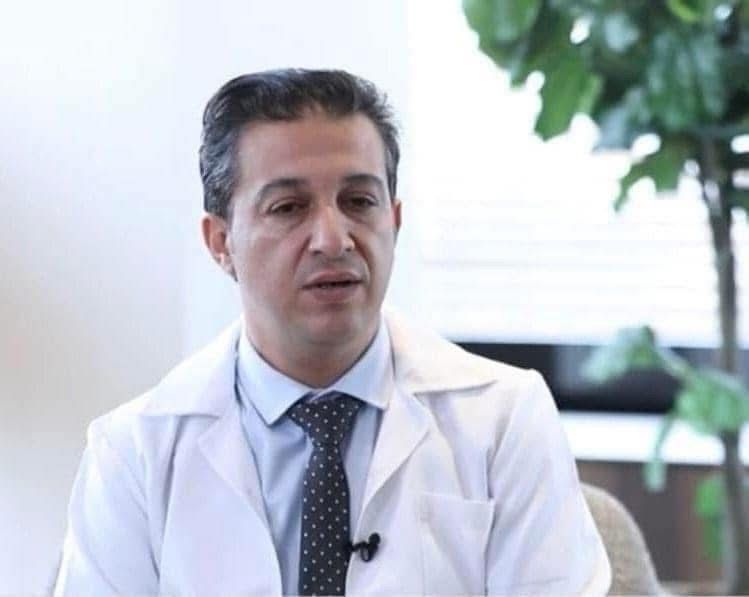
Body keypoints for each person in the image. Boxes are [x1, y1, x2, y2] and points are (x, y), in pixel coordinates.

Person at [54, 69, 611, 596]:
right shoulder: (134, 451)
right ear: (221, 242)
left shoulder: (504, 419)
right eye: (288, 207)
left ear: (394, 221)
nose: (333, 238)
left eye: (359, 202)